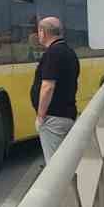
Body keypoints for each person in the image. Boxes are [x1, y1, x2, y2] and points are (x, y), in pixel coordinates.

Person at [31, 16, 80, 164]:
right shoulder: (70, 52)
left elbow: (48, 87)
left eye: (39, 31)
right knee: (65, 166)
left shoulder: (52, 54)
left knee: (55, 167)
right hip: (68, 115)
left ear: (43, 33)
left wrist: (41, 116)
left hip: (53, 119)